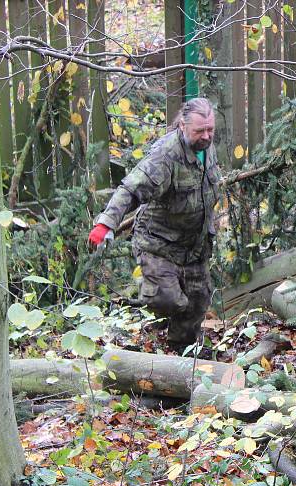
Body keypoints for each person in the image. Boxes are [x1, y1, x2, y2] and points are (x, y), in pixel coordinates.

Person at [88, 97, 221, 351]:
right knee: (168, 299)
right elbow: (130, 188)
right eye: (199, 131)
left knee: (197, 303)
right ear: (182, 126)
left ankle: (180, 356)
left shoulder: (207, 148)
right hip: (158, 244)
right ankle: (147, 299)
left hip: (194, 246)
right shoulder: (165, 156)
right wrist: (106, 224)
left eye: (210, 130)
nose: (206, 136)